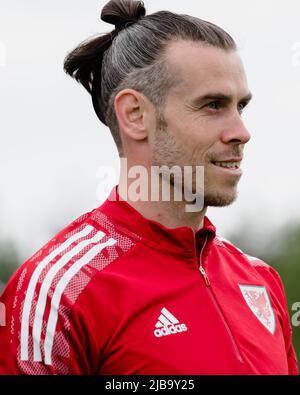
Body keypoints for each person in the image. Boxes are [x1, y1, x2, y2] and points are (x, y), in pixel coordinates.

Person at [0, 0, 298, 375]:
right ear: (135, 115)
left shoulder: (260, 281)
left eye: (241, 106)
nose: (241, 132)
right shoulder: (55, 291)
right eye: (213, 105)